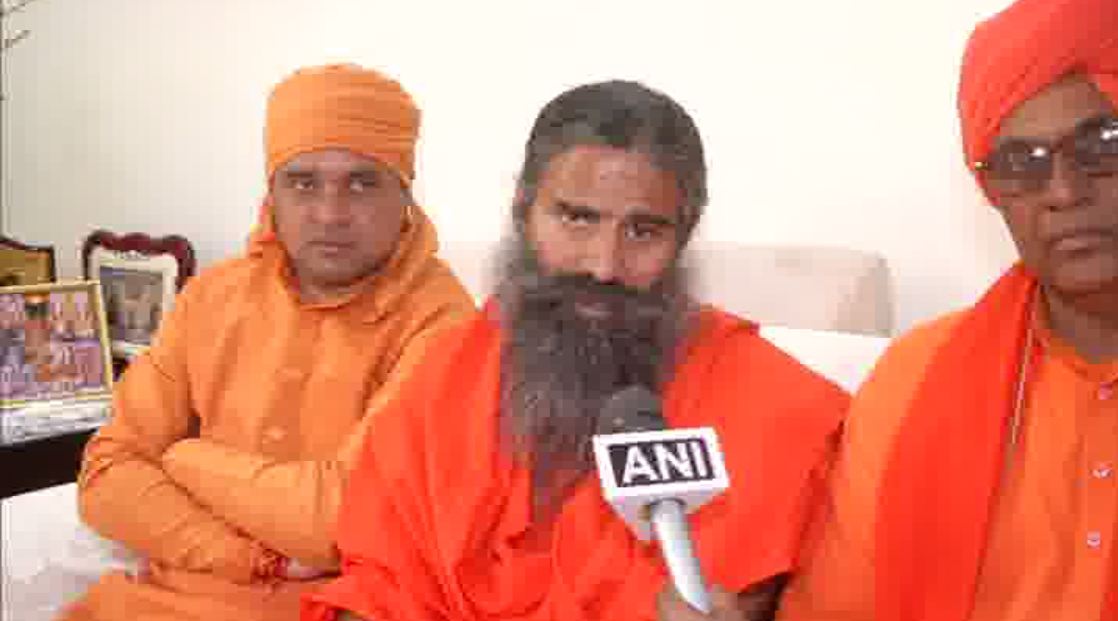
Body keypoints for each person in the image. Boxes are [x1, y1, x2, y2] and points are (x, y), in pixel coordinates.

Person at [302, 80, 849, 621]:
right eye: (578, 218)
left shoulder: (782, 412)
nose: (604, 265)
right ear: (523, 209)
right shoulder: (450, 375)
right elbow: (376, 590)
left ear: (684, 235)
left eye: (644, 231)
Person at [64, 64, 474, 621]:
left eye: (362, 183)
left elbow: (340, 521)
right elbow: (106, 473)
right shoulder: (214, 295)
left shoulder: (444, 322)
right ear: (272, 193)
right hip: (149, 603)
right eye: (303, 182)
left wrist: (183, 456)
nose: (330, 214)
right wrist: (251, 557)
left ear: (405, 194)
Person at [776, 0, 1118, 619]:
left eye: (1102, 144)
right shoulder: (914, 381)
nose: (1064, 192)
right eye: (1021, 164)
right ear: (993, 191)